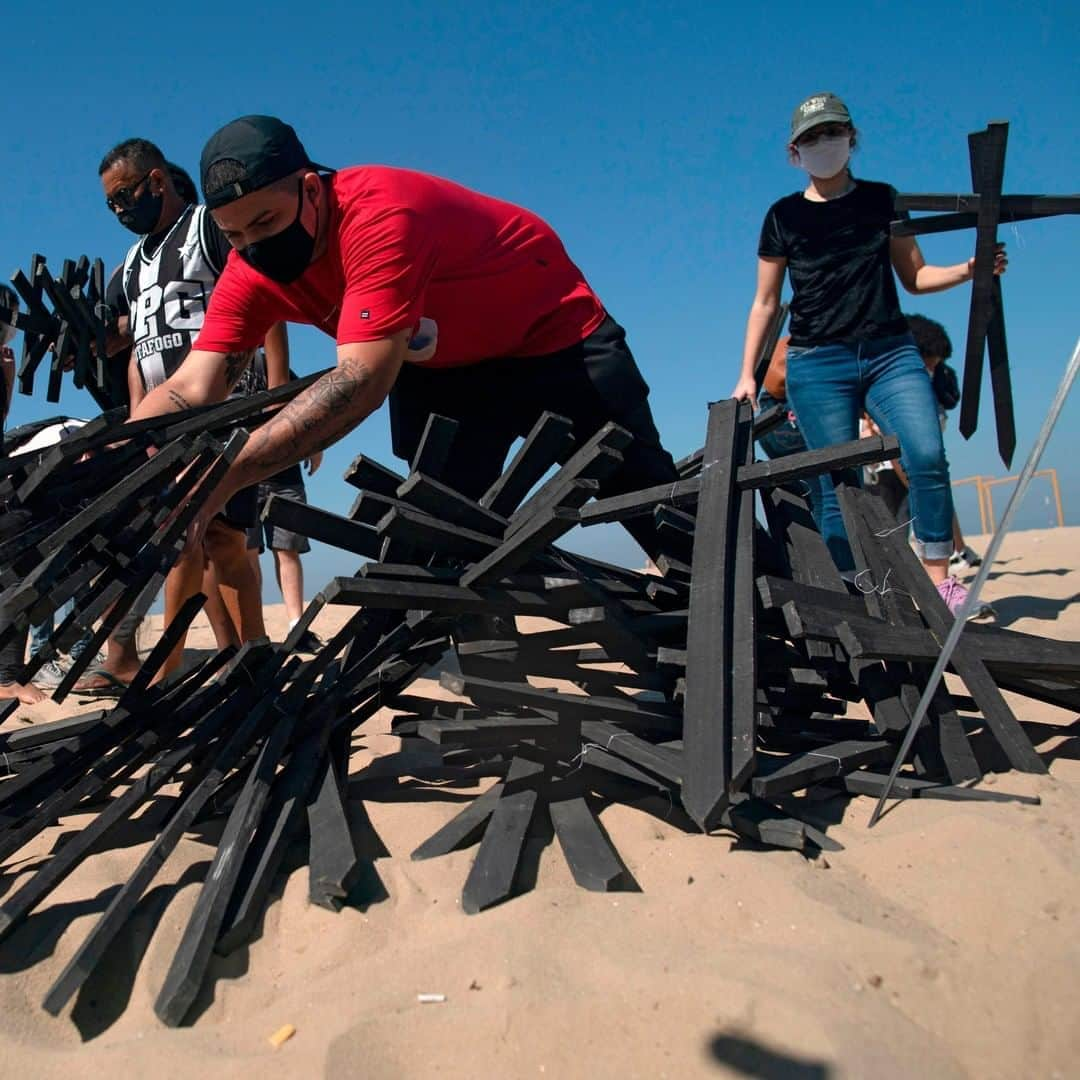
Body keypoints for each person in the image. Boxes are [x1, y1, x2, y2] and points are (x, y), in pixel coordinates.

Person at [126, 115, 678, 563]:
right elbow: (193, 385)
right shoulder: (252, 269)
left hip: (556, 339)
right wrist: (125, 455)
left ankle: (753, 636)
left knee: (650, 504)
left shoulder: (379, 213)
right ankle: (486, 679)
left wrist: (228, 473)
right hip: (445, 371)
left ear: (311, 189)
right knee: (442, 534)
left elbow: (361, 379)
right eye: (235, 235)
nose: (253, 245)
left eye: (266, 222)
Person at [732, 92, 1006, 615]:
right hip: (816, 363)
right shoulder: (782, 216)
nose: (823, 145)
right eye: (811, 138)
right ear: (795, 152)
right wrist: (747, 373)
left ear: (852, 139)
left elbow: (915, 276)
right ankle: (855, 592)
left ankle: (938, 582)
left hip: (888, 351)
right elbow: (766, 300)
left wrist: (970, 270)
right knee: (836, 483)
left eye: (832, 133)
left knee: (925, 453)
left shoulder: (883, 200)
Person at [77, 137, 288, 691]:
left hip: (221, 404)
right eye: (110, 205)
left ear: (157, 182)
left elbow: (263, 292)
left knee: (196, 535)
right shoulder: (131, 267)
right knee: (212, 538)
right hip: (161, 416)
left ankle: (165, 674)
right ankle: (246, 659)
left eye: (125, 196)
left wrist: (281, 384)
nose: (121, 210)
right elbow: (133, 342)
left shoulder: (206, 229)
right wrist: (133, 411)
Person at [241, 353, 324, 650]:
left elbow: (308, 403)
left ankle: (296, 626)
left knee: (287, 549)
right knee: (246, 554)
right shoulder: (218, 365)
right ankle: (254, 629)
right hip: (242, 473)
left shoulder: (270, 363)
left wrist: (316, 446)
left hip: (284, 471)